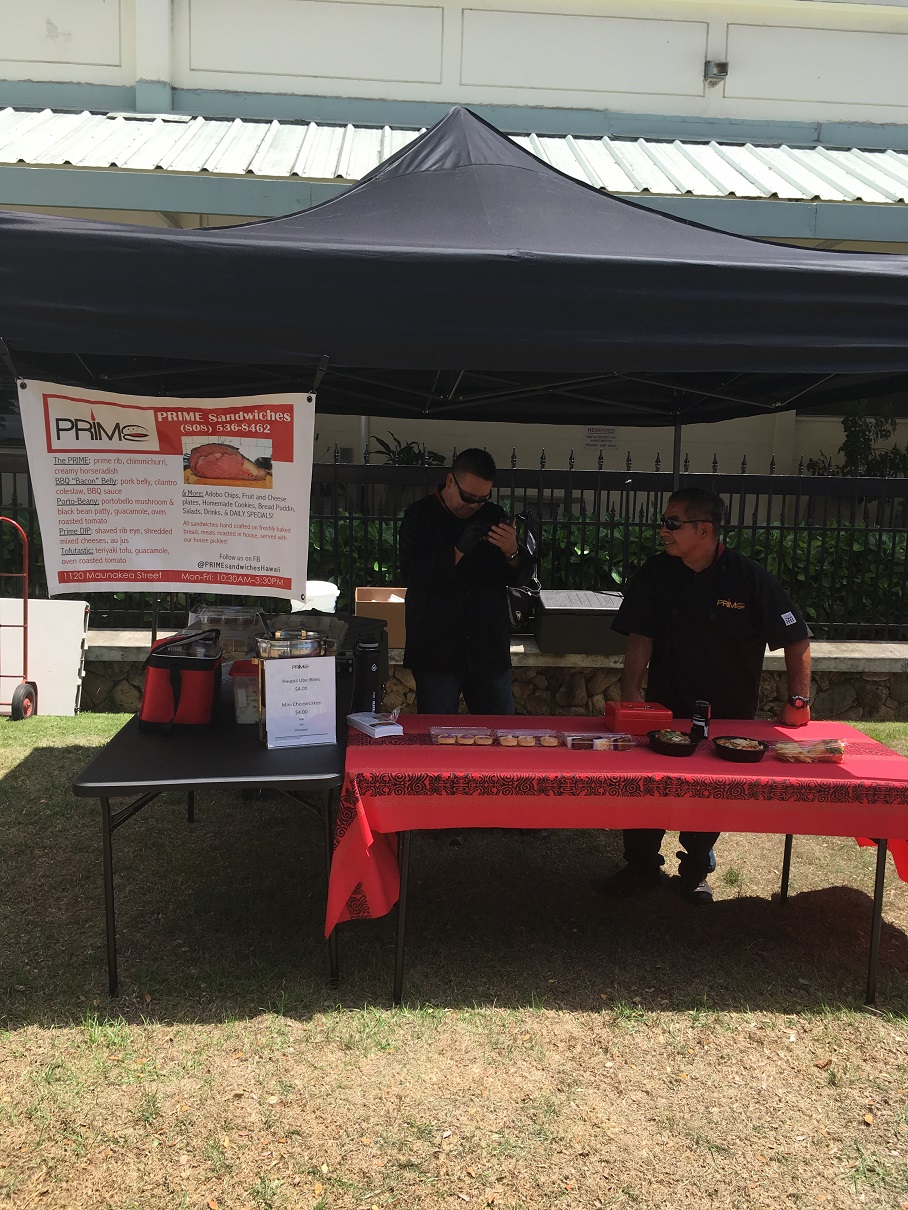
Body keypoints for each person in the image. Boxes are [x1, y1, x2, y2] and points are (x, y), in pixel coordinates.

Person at [604, 487, 812, 904]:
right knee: (646, 785)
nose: (663, 530)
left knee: (709, 792)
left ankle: (696, 869)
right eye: (664, 522)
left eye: (672, 523)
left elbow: (796, 636)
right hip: (665, 705)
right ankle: (640, 867)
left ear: (704, 529)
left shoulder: (749, 577)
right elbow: (640, 635)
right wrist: (630, 694)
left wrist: (798, 700)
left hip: (728, 711)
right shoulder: (656, 572)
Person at [398, 448, 534, 714]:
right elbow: (415, 575)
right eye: (468, 497)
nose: (474, 505)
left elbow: (518, 578)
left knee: (500, 731)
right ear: (450, 481)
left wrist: (512, 551)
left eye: (482, 499)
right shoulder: (419, 517)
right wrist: (458, 550)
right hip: (438, 650)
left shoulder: (491, 515)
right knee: (438, 732)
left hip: (487, 649)